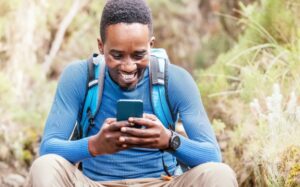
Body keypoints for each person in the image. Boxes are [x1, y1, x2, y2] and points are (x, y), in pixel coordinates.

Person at [26, 0, 238, 186]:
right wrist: (94, 145)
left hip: (161, 182)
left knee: (220, 174)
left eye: (138, 55)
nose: (128, 67)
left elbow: (212, 155)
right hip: (94, 183)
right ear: (101, 46)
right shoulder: (80, 76)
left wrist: (168, 140)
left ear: (151, 45)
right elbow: (48, 148)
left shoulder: (176, 80)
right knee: (45, 167)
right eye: (117, 55)